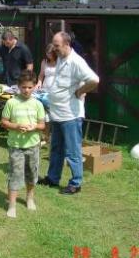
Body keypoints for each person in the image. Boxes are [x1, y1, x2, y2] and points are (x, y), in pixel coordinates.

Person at [38, 32, 99, 195]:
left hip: (71, 115)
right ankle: (52, 178)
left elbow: (94, 80)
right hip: (57, 112)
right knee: (56, 148)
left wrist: (80, 91)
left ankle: (75, 183)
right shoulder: (61, 58)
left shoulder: (76, 61)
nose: (54, 48)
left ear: (67, 44)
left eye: (57, 45)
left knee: (72, 151)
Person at [1, 71, 45, 218]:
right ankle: (12, 205)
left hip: (33, 145)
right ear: (18, 86)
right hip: (16, 146)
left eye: (30, 87)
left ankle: (30, 198)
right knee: (15, 174)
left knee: (32, 174)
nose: (26, 90)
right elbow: (4, 122)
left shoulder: (38, 104)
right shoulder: (11, 102)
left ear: (34, 88)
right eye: (24, 87)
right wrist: (17, 126)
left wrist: (34, 127)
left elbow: (42, 125)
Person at [35, 43, 57, 143]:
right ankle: (46, 136)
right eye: (47, 54)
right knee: (44, 115)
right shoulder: (44, 62)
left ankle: (52, 137)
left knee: (54, 115)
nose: (48, 56)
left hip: (55, 92)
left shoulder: (60, 62)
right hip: (44, 91)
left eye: (50, 54)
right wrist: (38, 83)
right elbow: (41, 75)